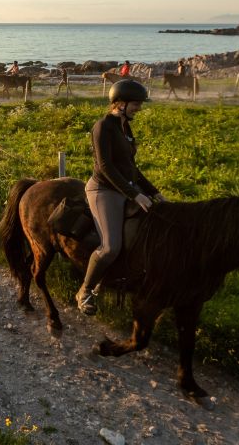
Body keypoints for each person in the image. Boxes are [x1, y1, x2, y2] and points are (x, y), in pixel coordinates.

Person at [76, 79, 164, 316]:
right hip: (104, 190)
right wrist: (135, 194)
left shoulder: (125, 127)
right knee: (110, 247)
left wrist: (154, 192)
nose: (139, 108)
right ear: (120, 103)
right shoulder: (103, 126)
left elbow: (131, 167)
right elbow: (105, 167)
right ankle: (84, 291)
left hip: (125, 186)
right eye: (136, 104)